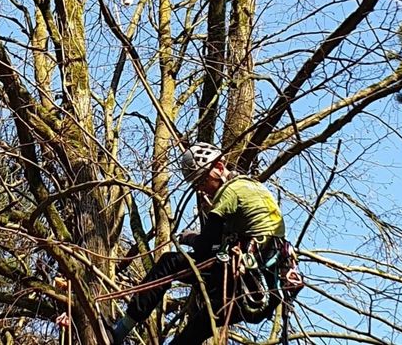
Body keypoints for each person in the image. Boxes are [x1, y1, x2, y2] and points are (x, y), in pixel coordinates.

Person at [109, 142, 287, 344]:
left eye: (203, 181)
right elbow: (230, 237)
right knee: (201, 323)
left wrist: (189, 237)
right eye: (197, 185)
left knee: (170, 263)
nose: (202, 189)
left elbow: (204, 247)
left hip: (248, 278)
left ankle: (121, 329)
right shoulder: (253, 187)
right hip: (266, 289)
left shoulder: (230, 191)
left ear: (219, 167)